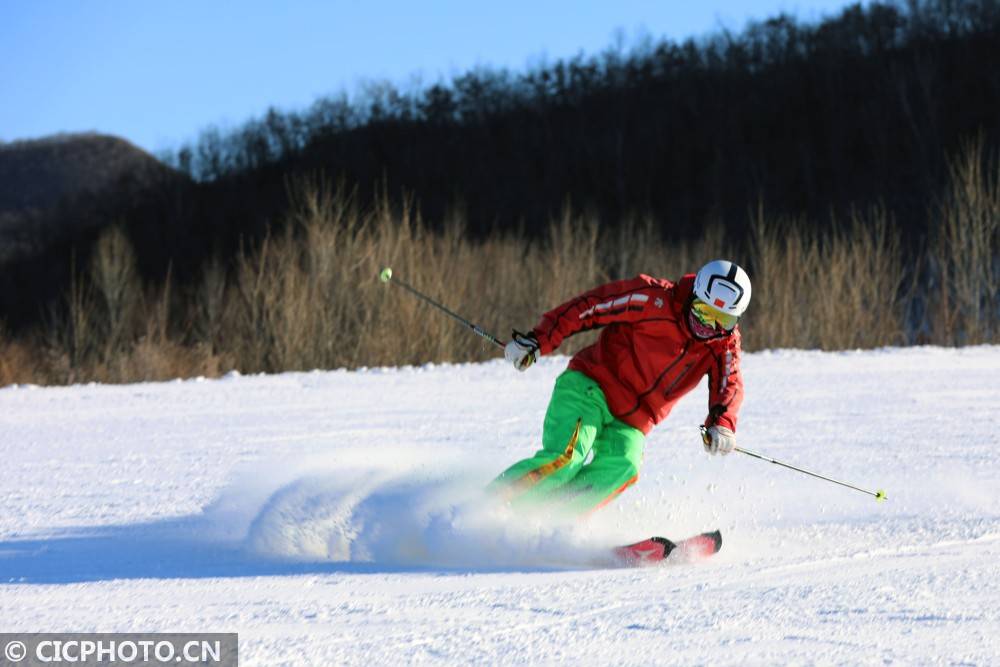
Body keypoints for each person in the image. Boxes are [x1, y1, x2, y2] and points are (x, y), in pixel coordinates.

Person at [489, 259, 751, 516]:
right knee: (567, 457)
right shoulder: (652, 300)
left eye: (723, 320)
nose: (708, 327)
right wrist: (539, 340)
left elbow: (729, 382)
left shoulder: (723, 343)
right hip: (590, 387)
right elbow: (591, 306)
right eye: (704, 313)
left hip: (633, 421)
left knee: (624, 466)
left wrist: (723, 422)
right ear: (693, 297)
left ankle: (553, 519)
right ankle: (488, 506)